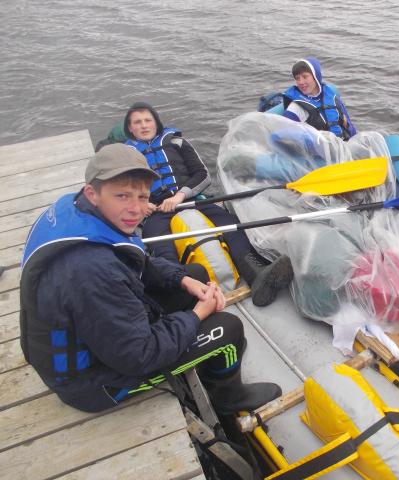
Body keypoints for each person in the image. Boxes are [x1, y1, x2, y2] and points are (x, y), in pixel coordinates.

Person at [19, 144, 281, 413]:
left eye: (142, 197)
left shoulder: (77, 211)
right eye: (122, 196)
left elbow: (134, 259)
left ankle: (200, 345)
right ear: (92, 193)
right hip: (94, 382)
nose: (136, 209)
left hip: (99, 333)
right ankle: (229, 397)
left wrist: (182, 279)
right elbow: (140, 356)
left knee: (195, 274)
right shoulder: (90, 269)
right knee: (227, 329)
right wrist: (198, 315)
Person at [123, 101, 293, 306]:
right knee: (160, 243)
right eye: (137, 122)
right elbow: (122, 188)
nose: (144, 125)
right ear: (130, 128)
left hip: (189, 200)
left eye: (148, 120)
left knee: (231, 225)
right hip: (157, 210)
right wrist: (141, 203)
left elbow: (202, 175)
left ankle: (257, 275)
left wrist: (180, 196)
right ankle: (180, 291)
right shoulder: (125, 155)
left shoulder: (177, 142)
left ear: (156, 122)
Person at [282, 57, 357, 141]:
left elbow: (350, 127)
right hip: (320, 148)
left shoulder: (331, 96)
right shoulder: (296, 108)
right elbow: (283, 137)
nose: (301, 82)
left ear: (315, 77)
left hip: (344, 145)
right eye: (297, 78)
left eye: (305, 76)